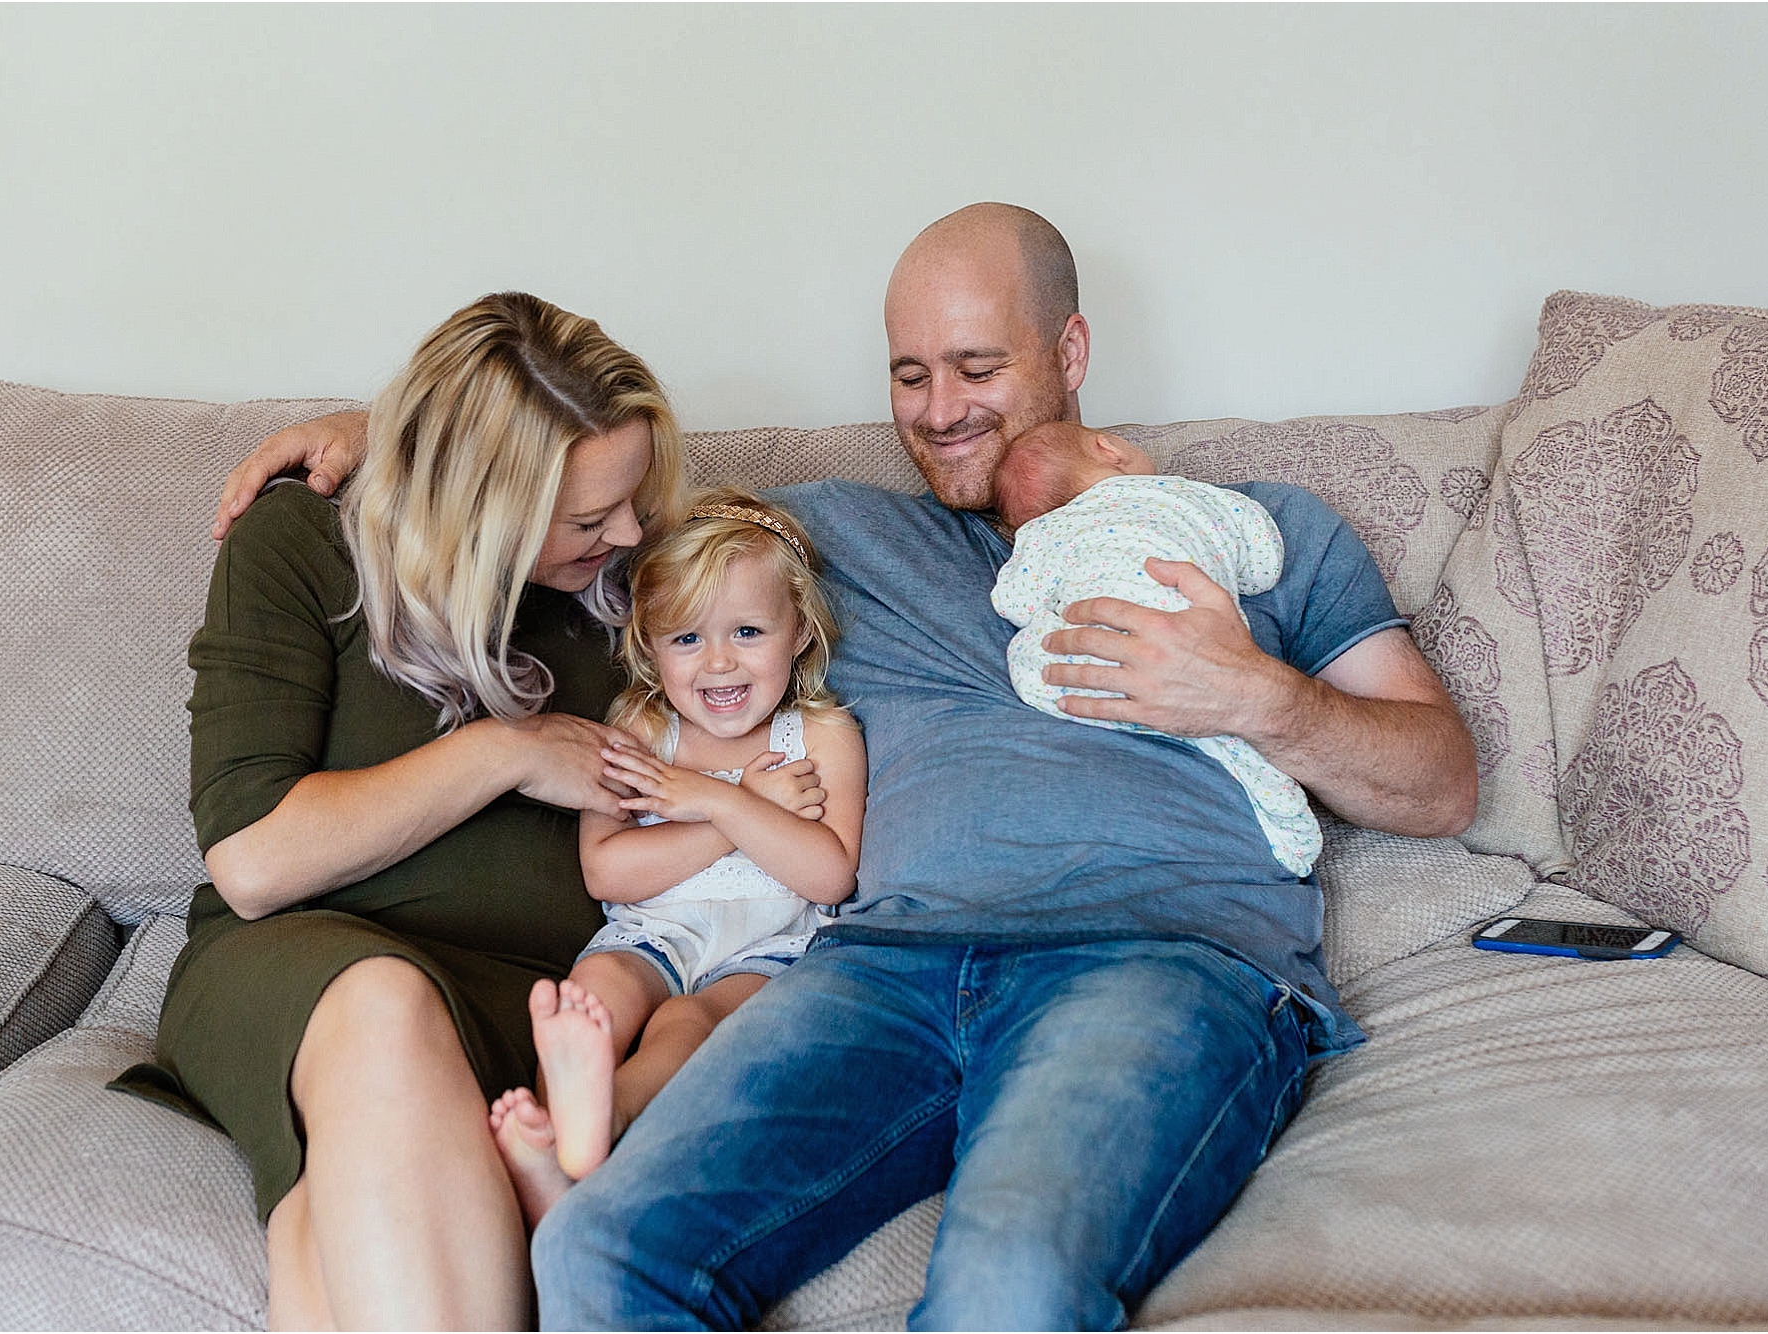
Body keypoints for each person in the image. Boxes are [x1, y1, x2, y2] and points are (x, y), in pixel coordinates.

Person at [215, 203, 1477, 1330]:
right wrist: (402, 436)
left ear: (1070, 351)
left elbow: (1439, 781)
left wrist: (1255, 693)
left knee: (1007, 1288)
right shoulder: (828, 539)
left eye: (977, 367)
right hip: (875, 969)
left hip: (1152, 959)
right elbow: (578, 498)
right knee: (598, 1251)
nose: (938, 409)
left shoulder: (1252, 535)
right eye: (909, 374)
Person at [111, 290, 686, 1329]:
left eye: (632, 498)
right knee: (385, 1004)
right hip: (301, 972)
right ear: (480, 503)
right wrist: (504, 751)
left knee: (324, 1242)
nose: (630, 530)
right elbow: (253, 859)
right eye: (587, 519)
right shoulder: (301, 543)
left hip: (534, 1011)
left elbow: (784, 590)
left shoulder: (652, 585)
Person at [488, 485, 867, 1228]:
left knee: (687, 1022)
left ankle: (606, 1118)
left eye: (748, 631)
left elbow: (829, 875)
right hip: (650, 931)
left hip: (765, 951)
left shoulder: (820, 734)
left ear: (798, 631)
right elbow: (607, 871)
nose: (719, 663)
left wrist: (721, 800)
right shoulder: (639, 728)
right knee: (592, 994)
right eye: (687, 638)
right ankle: (558, 1136)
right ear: (649, 645)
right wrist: (734, 808)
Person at [991, 419, 1322, 876]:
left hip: (1100, 651)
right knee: (1231, 739)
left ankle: (1133, 722)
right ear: (1109, 449)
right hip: (1199, 639)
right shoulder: (1198, 497)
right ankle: (1288, 825)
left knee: (1030, 657)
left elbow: (1015, 602)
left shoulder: (1048, 532)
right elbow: (1265, 566)